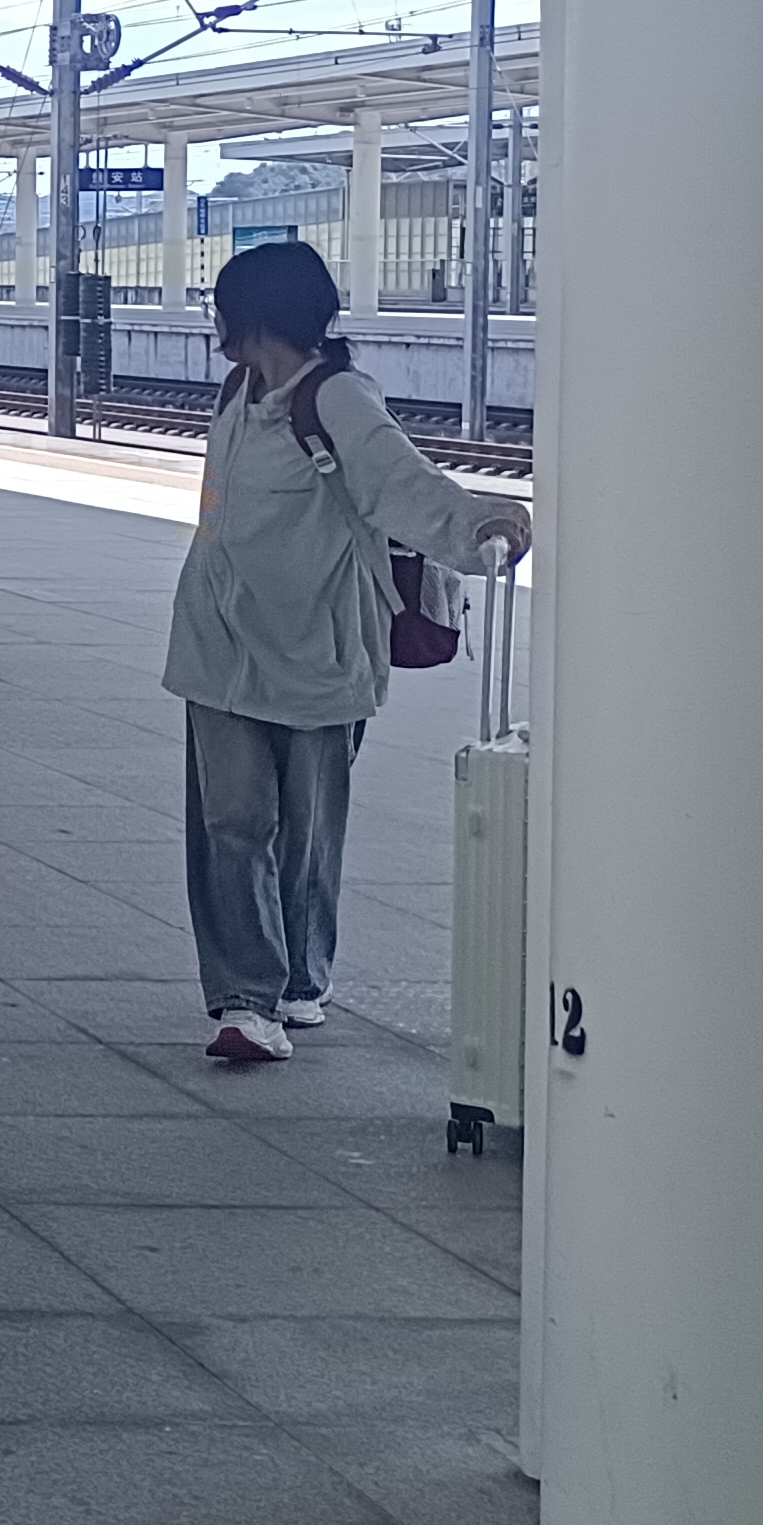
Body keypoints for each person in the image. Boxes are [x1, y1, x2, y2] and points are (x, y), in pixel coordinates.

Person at [168, 239, 528, 1063]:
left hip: (319, 646)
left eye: (223, 306)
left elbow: (404, 483)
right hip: (218, 642)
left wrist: (483, 525)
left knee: (306, 831)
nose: (216, 322)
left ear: (256, 314)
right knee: (232, 823)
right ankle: (246, 999)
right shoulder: (236, 391)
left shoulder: (336, 396)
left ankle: (300, 979)